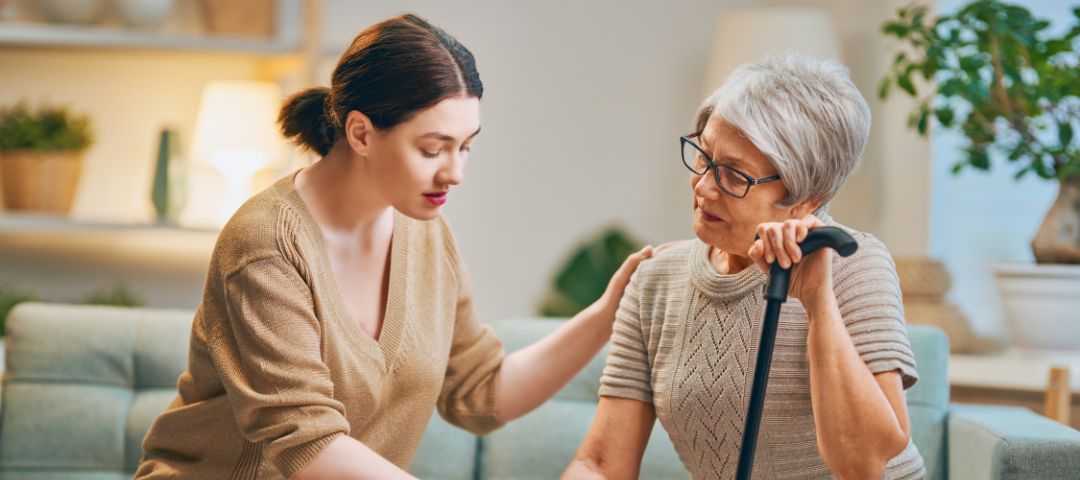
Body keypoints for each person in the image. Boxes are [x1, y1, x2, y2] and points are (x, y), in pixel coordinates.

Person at [136, 13, 653, 480]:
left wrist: (608, 312)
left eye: (466, 146)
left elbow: (480, 391)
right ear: (360, 133)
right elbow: (306, 443)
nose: (455, 172)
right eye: (433, 149)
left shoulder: (425, 232)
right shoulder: (266, 246)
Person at [564, 54, 926, 479]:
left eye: (734, 175)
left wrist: (817, 302)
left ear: (808, 197)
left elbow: (864, 465)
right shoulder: (655, 282)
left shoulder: (852, 262)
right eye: (703, 157)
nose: (703, 187)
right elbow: (602, 463)